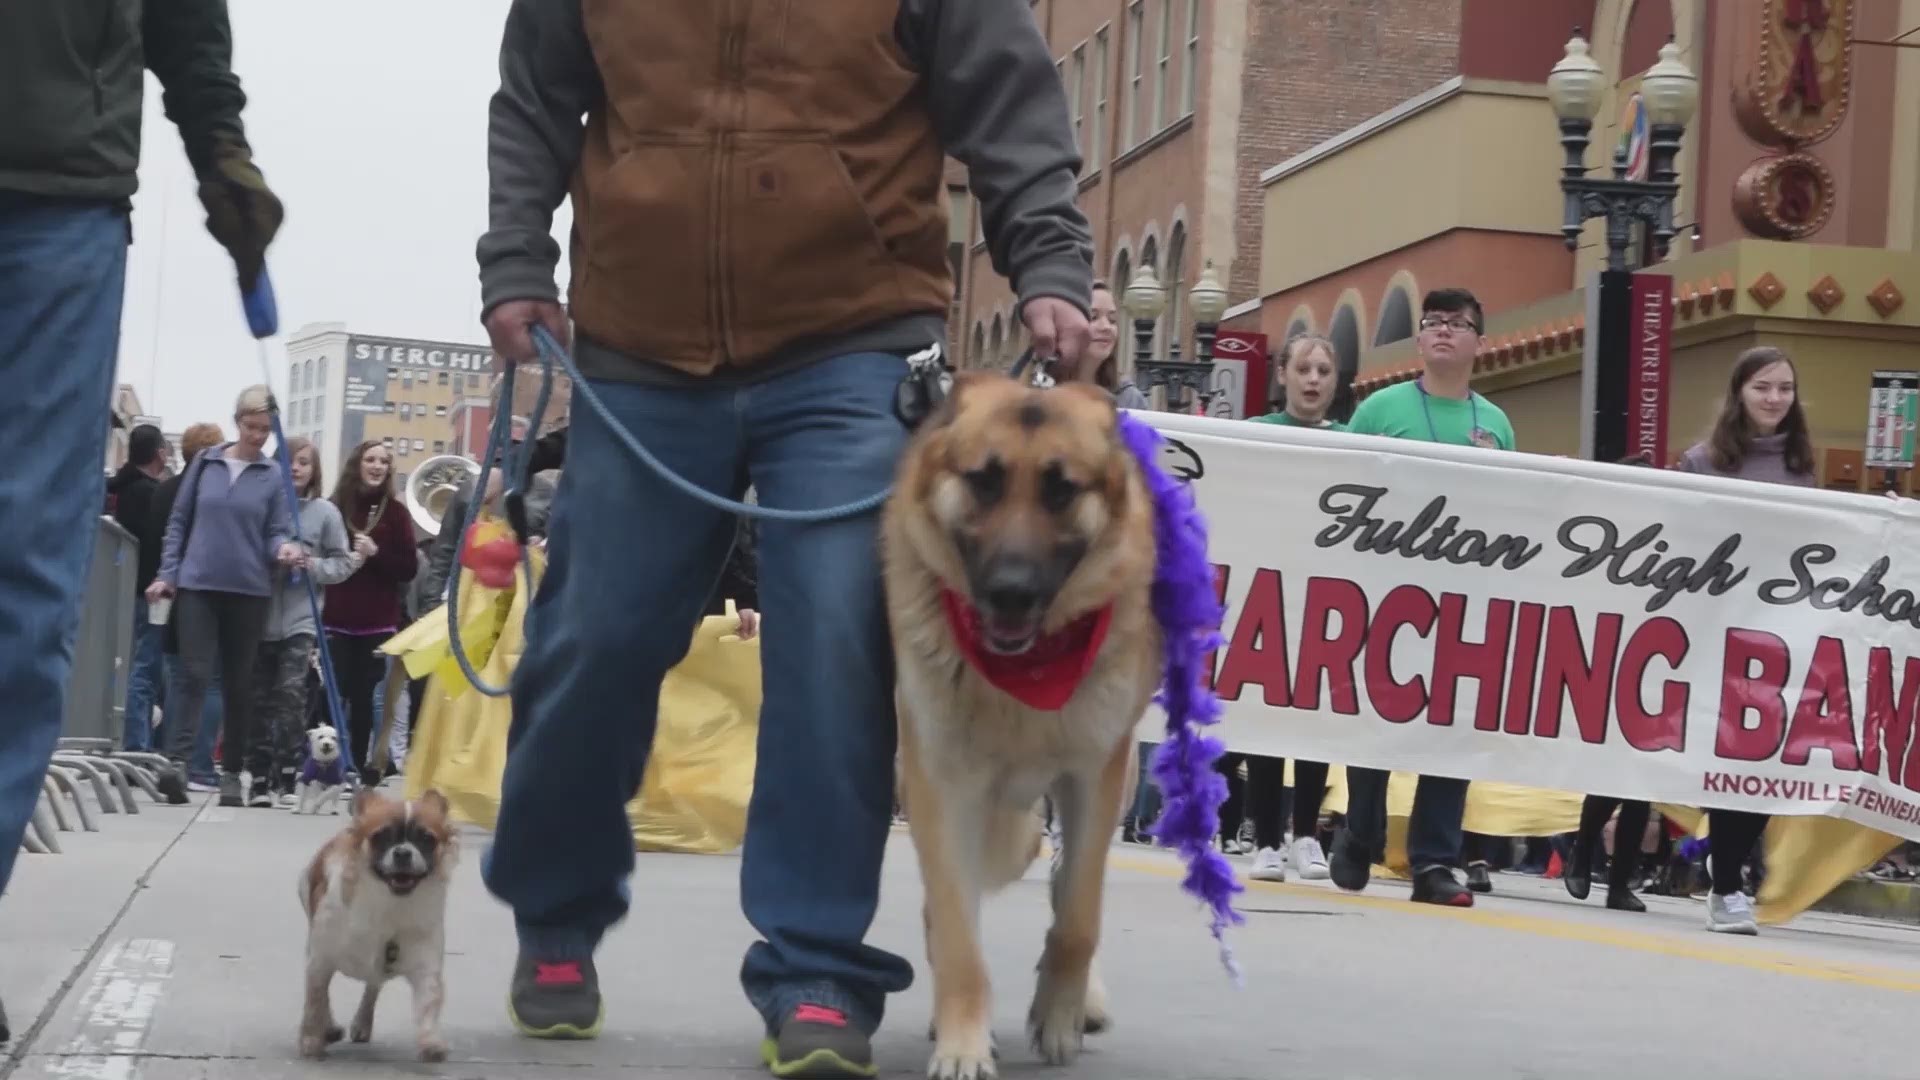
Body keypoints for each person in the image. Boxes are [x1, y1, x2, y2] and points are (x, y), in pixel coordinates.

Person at [474, 1, 1094, 1072]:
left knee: (836, 642)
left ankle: (814, 964)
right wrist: (517, 257)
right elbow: (534, 96)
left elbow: (1008, 98)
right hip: (635, 341)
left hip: (852, 344)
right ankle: (558, 914)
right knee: (593, 639)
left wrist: (1049, 265)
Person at [0, 0, 281, 986]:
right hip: (63, 204)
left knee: (26, 582)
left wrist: (219, 147)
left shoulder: (263, 476)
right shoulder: (204, 471)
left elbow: (188, 23)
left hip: (64, 197)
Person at [1329, 288, 1517, 908]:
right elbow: (1338, 488)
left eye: (1457, 324)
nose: (1442, 332)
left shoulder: (1495, 424)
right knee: (1376, 715)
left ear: (1478, 343)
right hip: (1383, 591)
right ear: (1419, 341)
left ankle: (1435, 861)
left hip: (1464, 598)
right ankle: (1362, 832)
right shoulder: (1379, 409)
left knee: (1450, 725)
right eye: (1432, 322)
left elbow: (1510, 513)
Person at [1674, 345, 1816, 935]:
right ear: (1739, 393)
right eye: (1763, 387)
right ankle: (1728, 883)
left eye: (1784, 388)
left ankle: (1726, 872)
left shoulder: (1803, 465)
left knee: (1765, 759)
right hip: (1712, 633)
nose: (1775, 398)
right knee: (1726, 758)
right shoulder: (1702, 462)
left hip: (1777, 636)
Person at [147, 387, 303, 807]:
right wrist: (168, 575)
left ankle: (232, 772)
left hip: (249, 590)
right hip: (198, 584)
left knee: (238, 684)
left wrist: (284, 549)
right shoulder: (206, 462)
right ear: (237, 422)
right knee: (193, 675)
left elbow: (276, 531)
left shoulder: (273, 475)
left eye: (265, 430)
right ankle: (177, 764)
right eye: (251, 427)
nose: (257, 436)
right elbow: (179, 521)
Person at [1241, 334, 1346, 881]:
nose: (1312, 380)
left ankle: (1306, 834)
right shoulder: (1254, 436)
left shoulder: (1354, 443)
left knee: (1314, 718)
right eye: (1303, 368)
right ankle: (1265, 838)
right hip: (1267, 591)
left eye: (1323, 370)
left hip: (1329, 600)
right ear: (1281, 374)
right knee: (1265, 716)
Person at [257, 437, 357, 805]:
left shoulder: (325, 513)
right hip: (260, 616)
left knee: (291, 694)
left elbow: (343, 563)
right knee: (260, 697)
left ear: (314, 470)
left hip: (301, 620)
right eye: (288, 461)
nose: (295, 468)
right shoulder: (265, 506)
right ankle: (259, 770)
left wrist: (312, 566)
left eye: (303, 462)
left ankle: (286, 771)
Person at [322, 440, 420, 788]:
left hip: (377, 620)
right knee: (332, 693)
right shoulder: (334, 507)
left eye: (384, 461)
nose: (377, 466)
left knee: (365, 694)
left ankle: (358, 765)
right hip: (335, 616)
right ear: (357, 463)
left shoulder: (395, 513)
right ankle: (325, 765)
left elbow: (408, 568)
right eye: (370, 459)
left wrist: (377, 553)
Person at [109, 425, 173, 751]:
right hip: (151, 592)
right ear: (159, 452)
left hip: (133, 590)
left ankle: (139, 744)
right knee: (146, 670)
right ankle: (137, 747)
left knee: (142, 668)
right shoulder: (148, 492)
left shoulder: (126, 488)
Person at [1088, 280, 1149, 408]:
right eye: (1093, 317)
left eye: (1112, 320)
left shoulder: (1130, 399)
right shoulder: (1043, 391)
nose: (1106, 327)